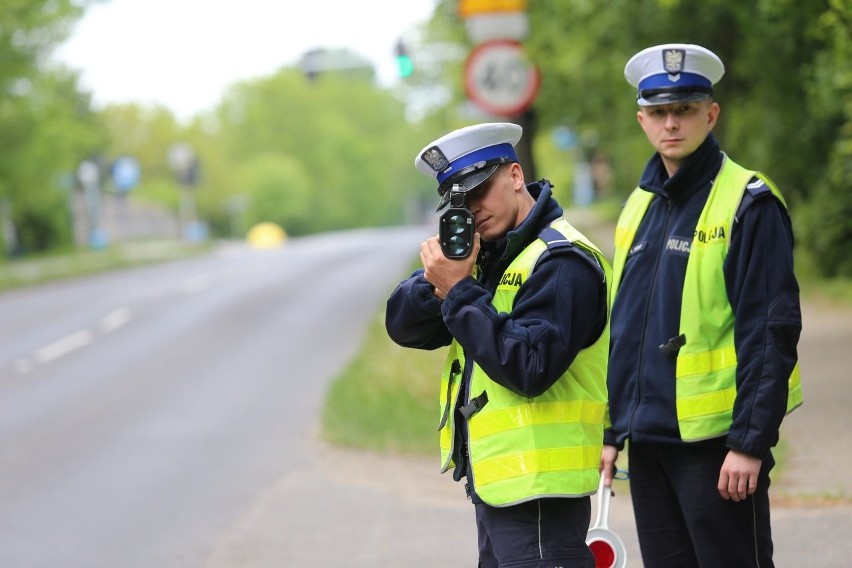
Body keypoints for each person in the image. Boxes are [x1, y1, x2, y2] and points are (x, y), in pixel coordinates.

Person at [600, 43, 803, 567]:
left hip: (718, 450)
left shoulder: (749, 202)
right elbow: (624, 330)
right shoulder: (638, 206)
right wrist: (612, 432)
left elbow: (771, 330)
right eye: (660, 112)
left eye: (685, 110)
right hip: (648, 446)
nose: (673, 123)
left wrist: (750, 443)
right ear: (642, 120)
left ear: (710, 115)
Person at [386, 122, 612, 567]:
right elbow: (403, 327)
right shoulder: (487, 255)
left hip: (543, 496)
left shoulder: (562, 261)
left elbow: (529, 367)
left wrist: (459, 292)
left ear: (513, 175)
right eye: (459, 203)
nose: (473, 209)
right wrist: (441, 277)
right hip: (502, 490)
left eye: (479, 192)